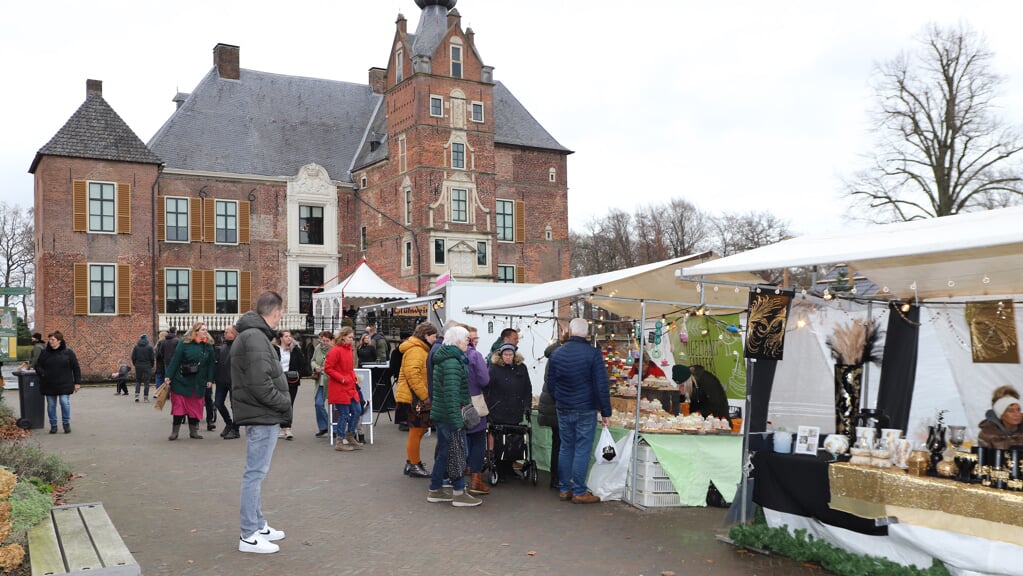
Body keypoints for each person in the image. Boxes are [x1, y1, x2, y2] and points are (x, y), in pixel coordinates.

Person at [231, 291, 291, 554]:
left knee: (255, 473)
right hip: (263, 414)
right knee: (254, 474)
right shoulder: (255, 337)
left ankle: (257, 525)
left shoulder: (253, 335)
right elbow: (259, 383)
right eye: (280, 313)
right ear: (276, 312)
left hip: (261, 413)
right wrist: (282, 403)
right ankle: (248, 535)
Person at [548, 318, 611, 504]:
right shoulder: (593, 354)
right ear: (586, 333)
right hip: (585, 408)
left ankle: (564, 488)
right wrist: (605, 411)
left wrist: (559, 399)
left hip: (563, 407)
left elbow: (551, 383)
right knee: (582, 449)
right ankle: (579, 491)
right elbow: (601, 384)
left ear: (570, 331)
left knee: (566, 447)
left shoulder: (557, 354)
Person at [427, 325, 481, 507]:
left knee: (445, 452)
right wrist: (457, 422)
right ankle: (458, 492)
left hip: (443, 414)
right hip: (450, 416)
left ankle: (435, 489)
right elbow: (452, 395)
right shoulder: (452, 362)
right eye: (466, 339)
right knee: (458, 452)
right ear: (457, 341)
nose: (469, 341)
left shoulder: (449, 359)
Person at [395, 321, 438, 477]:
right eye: (434, 336)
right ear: (426, 335)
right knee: (416, 430)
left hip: (412, 397)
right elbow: (413, 376)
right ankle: (413, 464)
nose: (435, 339)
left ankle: (412, 462)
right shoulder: (417, 351)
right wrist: (425, 396)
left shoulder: (417, 349)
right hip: (414, 398)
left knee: (417, 431)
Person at [487, 343, 533, 481]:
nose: (508, 357)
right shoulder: (494, 369)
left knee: (513, 440)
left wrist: (527, 405)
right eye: (505, 355)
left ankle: (508, 468)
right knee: (500, 440)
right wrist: (489, 407)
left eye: (510, 355)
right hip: (498, 409)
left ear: (514, 355)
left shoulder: (521, 368)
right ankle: (499, 468)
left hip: (515, 408)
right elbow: (487, 389)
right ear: (501, 355)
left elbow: (527, 388)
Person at [164, 322, 216, 441]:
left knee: (195, 406)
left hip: (198, 382)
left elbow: (211, 364)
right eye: (203, 329)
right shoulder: (184, 343)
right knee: (179, 407)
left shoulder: (208, 346)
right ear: (195, 331)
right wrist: (168, 376)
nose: (205, 332)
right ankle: (174, 432)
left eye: (206, 329)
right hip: (181, 380)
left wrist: (210, 379)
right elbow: (175, 360)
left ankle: (193, 432)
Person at [324, 327, 365, 451]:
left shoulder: (349, 350)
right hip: (339, 387)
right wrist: (342, 378)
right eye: (350, 337)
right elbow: (328, 368)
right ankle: (340, 441)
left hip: (350, 386)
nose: (352, 340)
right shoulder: (336, 350)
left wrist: (353, 378)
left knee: (357, 410)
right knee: (344, 414)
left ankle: (350, 435)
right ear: (343, 337)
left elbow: (350, 368)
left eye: (353, 338)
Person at [35, 331, 81, 434]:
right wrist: (42, 373)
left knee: (64, 402)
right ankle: (53, 425)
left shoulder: (68, 353)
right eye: (49, 339)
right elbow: (38, 366)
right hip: (49, 383)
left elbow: (76, 367)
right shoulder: (44, 353)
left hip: (65, 383)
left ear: (59, 341)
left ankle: (66, 423)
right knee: (51, 405)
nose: (50, 342)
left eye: (53, 340)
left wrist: (77, 382)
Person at [538, 332, 568, 490]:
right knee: (561, 444)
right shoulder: (559, 356)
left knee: (558, 443)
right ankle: (557, 478)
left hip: (552, 405)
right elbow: (554, 383)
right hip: (557, 406)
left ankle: (556, 477)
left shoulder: (554, 354)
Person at [464, 326, 491, 495]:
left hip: (455, 403)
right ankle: (476, 479)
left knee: (460, 440)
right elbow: (485, 380)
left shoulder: (446, 353)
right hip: (474, 401)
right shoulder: (475, 355)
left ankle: (455, 477)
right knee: (478, 440)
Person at [276, 330, 309, 441]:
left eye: (290, 336)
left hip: (291, 380)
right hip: (278, 380)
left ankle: (288, 428)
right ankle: (281, 427)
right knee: (279, 404)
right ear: (281, 338)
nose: (289, 338)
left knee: (289, 404)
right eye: (286, 336)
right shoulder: (275, 349)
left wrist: (298, 374)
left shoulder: (295, 350)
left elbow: (303, 365)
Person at [978, 385, 1023, 449]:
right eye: (1011, 411)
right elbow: (983, 457)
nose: (1017, 414)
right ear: (1001, 415)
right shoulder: (987, 433)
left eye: (1018, 410)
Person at [215, 325, 240, 439]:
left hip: (234, 381)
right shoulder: (224, 346)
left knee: (234, 406)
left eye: (227, 332)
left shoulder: (239, 347)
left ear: (234, 334)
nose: (224, 333)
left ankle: (235, 429)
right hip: (221, 380)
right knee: (218, 403)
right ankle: (228, 423)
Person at [310, 330, 334, 437]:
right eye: (323, 340)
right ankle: (324, 426)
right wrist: (315, 367)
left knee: (334, 406)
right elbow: (313, 360)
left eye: (327, 341)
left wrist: (324, 369)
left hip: (331, 381)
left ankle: (334, 427)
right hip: (320, 381)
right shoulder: (318, 348)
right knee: (318, 404)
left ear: (331, 341)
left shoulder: (334, 350)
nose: (324, 343)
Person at [154, 327, 180, 404]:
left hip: (166, 362)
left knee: (167, 378)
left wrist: (164, 358)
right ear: (175, 332)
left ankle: (165, 394)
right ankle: (174, 394)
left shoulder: (164, 341)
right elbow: (179, 352)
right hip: (175, 363)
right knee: (175, 378)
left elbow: (161, 352)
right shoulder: (177, 341)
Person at [131, 334, 155, 401]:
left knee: (138, 381)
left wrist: (135, 364)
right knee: (146, 382)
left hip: (138, 365)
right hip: (147, 366)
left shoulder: (136, 347)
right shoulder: (150, 347)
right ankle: (145, 397)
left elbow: (133, 357)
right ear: (146, 339)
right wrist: (152, 365)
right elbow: (152, 358)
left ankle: (137, 396)